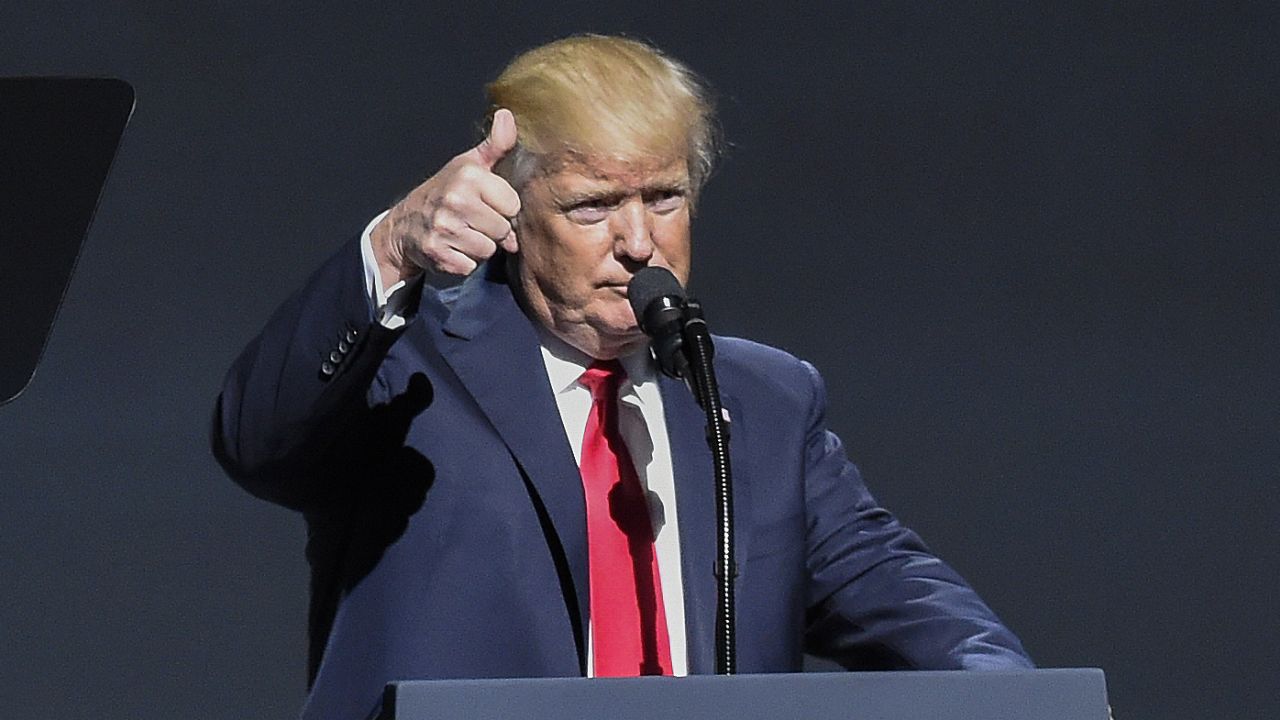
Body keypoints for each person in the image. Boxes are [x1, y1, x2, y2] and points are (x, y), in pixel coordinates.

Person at [213, 34, 1032, 720]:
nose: (639, 242)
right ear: (510, 211)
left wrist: (1022, 698)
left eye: (665, 197)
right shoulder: (407, 367)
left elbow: (900, 593)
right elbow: (255, 438)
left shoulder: (760, 401)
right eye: (593, 206)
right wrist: (392, 245)